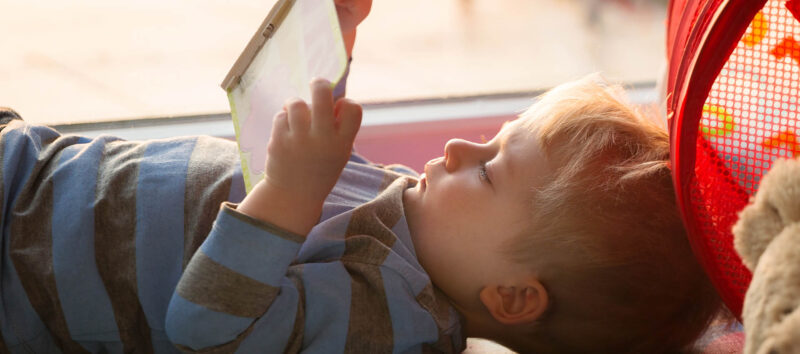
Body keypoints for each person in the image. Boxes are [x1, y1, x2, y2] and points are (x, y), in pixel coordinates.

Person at [0, 0, 721, 353]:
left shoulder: (386, 321)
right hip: (40, 172)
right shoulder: (425, 224)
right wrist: (327, 52)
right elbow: (298, 163)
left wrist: (290, 193)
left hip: (24, 263)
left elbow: (207, 328)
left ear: (510, 296)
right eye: (494, 141)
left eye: (492, 172)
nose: (463, 149)